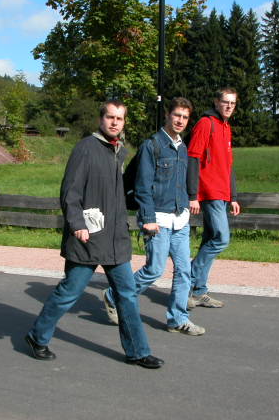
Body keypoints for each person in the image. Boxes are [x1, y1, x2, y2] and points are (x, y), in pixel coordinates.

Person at [25, 99, 164, 369]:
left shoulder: (119, 151)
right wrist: (77, 224)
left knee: (127, 294)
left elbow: (119, 194)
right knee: (70, 291)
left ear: (124, 122)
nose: (114, 122)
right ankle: (36, 337)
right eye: (110, 117)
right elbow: (70, 191)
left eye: (119, 118)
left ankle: (137, 351)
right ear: (101, 119)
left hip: (115, 239)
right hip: (87, 237)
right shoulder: (86, 148)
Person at [102, 97, 205, 336]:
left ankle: (178, 319)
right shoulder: (152, 145)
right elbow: (143, 186)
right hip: (157, 217)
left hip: (180, 218)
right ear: (167, 115)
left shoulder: (183, 147)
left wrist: (189, 201)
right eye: (177, 115)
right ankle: (114, 295)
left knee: (184, 271)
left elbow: (181, 181)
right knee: (155, 270)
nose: (180, 121)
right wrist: (148, 218)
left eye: (185, 117)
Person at [186, 87, 241, 309]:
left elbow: (228, 166)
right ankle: (186, 280)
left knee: (209, 240)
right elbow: (192, 157)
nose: (229, 106)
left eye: (233, 103)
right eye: (225, 102)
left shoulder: (226, 127)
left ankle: (199, 291)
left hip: (223, 194)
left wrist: (233, 196)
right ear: (216, 102)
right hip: (209, 192)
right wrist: (193, 194)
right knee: (221, 239)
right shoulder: (205, 123)